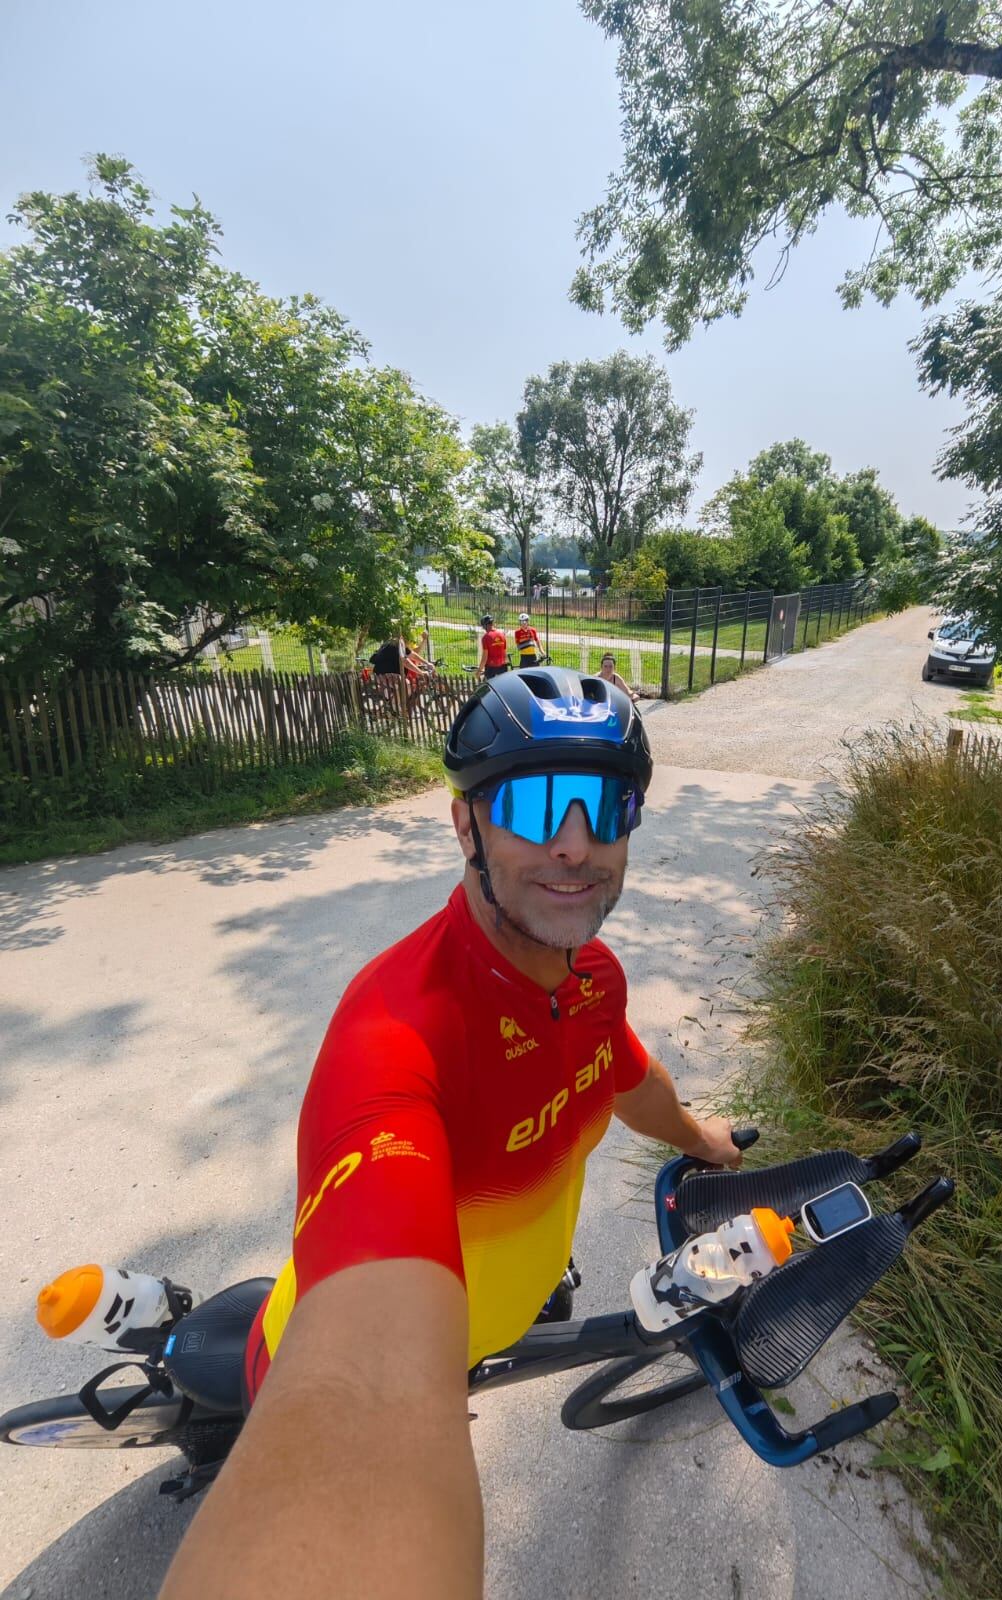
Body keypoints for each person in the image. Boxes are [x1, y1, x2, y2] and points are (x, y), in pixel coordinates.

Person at [159, 667, 741, 1600]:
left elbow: (625, 1074)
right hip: (371, 1361)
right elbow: (366, 1398)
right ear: (465, 823)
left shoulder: (591, 978)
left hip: (494, 1322)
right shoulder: (391, 1039)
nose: (576, 845)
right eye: (537, 801)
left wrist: (701, 1138)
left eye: (607, 804)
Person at [477, 614, 509, 680]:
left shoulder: (486, 637)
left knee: (491, 688)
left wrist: (479, 670)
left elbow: (484, 657)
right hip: (503, 667)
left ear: (485, 625)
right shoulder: (502, 635)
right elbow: (505, 653)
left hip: (491, 668)